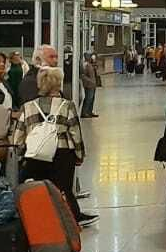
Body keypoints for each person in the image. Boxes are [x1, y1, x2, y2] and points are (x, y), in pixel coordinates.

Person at [8, 67, 98, 227]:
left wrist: (22, 155)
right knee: (64, 189)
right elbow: (75, 133)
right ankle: (73, 218)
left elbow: (18, 137)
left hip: (36, 154)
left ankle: (42, 218)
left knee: (40, 188)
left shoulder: (28, 107)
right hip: (62, 153)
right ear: (58, 84)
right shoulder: (67, 106)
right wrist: (79, 155)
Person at [78, 53, 102, 118]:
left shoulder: (91, 64)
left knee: (92, 99)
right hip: (88, 85)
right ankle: (84, 112)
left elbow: (97, 71)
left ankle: (89, 112)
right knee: (88, 99)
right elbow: (82, 75)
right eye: (89, 56)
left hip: (93, 85)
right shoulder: (85, 65)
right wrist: (90, 81)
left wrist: (95, 63)